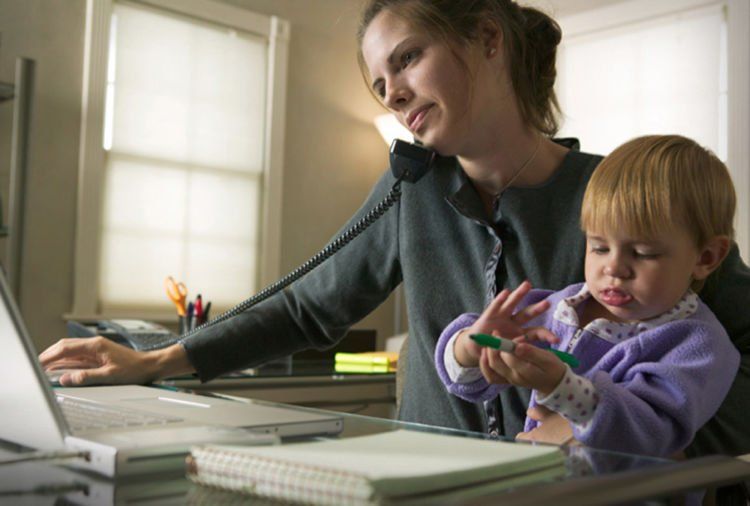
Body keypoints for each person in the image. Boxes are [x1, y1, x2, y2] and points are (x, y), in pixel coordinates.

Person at [39, 0, 750, 493]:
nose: (394, 93)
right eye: (381, 83)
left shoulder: (625, 203)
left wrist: (659, 444)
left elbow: (735, 350)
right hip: (428, 487)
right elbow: (304, 310)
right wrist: (157, 361)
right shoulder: (408, 192)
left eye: (408, 59)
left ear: (487, 38)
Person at [435, 135, 740, 457]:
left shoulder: (697, 345)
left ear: (705, 257)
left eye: (643, 253)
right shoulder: (558, 309)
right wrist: (470, 346)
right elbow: (469, 383)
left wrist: (563, 388)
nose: (614, 268)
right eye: (599, 247)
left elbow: (650, 430)